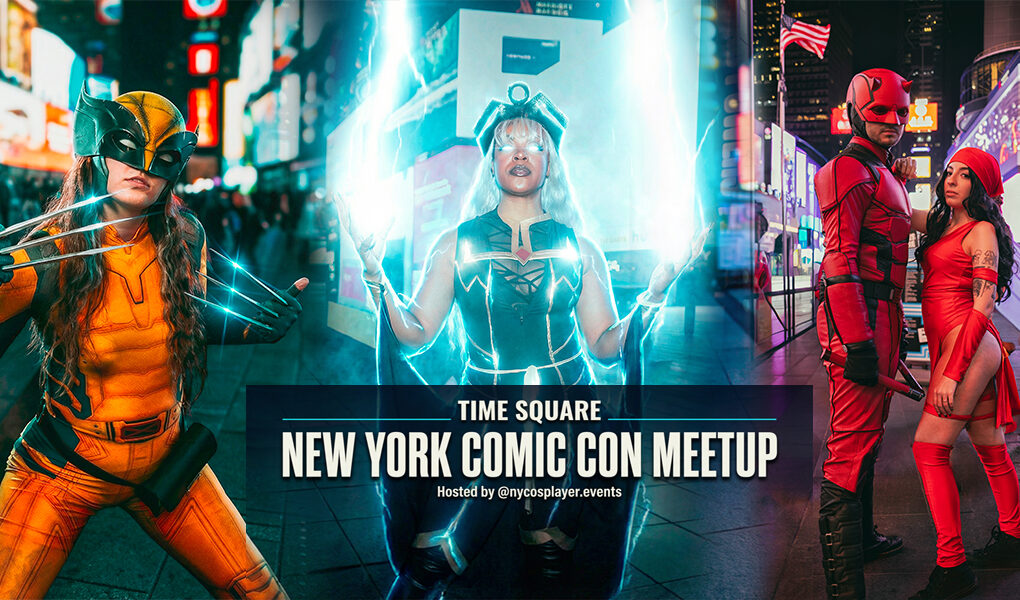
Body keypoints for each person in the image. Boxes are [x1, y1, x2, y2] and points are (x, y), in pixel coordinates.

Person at [339, 82, 707, 598]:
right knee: (454, 568)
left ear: (550, 162)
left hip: (571, 427)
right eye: (506, 143)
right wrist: (375, 273)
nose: (519, 153)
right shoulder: (457, 244)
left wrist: (654, 292)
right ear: (491, 161)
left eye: (534, 145)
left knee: (554, 570)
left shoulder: (580, 249)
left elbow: (605, 342)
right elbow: (415, 333)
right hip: (483, 424)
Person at [0, 87, 304, 598]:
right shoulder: (46, 251)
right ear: (96, 149)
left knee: (258, 591)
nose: (141, 167)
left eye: (161, 157)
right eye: (126, 147)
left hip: (167, 457)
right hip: (64, 468)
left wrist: (257, 326)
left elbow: (187, 319)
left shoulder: (185, 238)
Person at [815, 68, 913, 599]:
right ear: (855, 113)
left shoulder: (881, 172)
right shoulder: (847, 170)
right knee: (850, 448)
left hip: (884, 318)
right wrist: (855, 340)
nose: (893, 122)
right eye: (880, 113)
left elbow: (898, 229)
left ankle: (865, 542)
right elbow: (839, 260)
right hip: (862, 320)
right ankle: (843, 588)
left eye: (900, 113)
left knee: (868, 439)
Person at [906, 147, 1020, 599]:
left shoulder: (983, 230)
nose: (951, 179)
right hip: (957, 346)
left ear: (982, 186)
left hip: (968, 347)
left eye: (965, 175)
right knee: (990, 445)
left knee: (927, 449)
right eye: (949, 172)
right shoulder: (940, 225)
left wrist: (951, 373)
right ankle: (1013, 537)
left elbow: (983, 304)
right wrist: (894, 173)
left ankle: (952, 567)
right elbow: (896, 211)